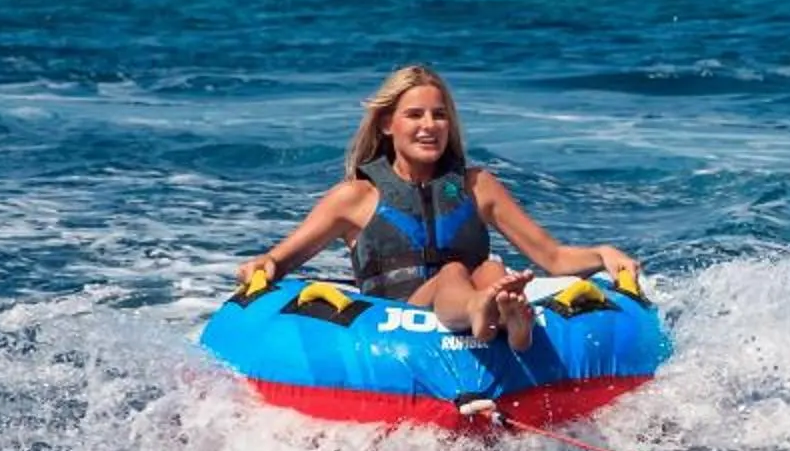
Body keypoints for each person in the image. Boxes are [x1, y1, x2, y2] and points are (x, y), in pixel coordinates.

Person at [241, 64, 638, 352]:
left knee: (492, 270)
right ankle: (487, 313)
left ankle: (509, 324)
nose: (429, 125)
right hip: (396, 324)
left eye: (440, 115)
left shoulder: (476, 185)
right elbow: (279, 261)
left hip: (475, 304)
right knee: (456, 271)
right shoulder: (356, 197)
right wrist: (262, 264)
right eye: (414, 115)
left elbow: (552, 256)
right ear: (386, 124)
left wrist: (602, 255)